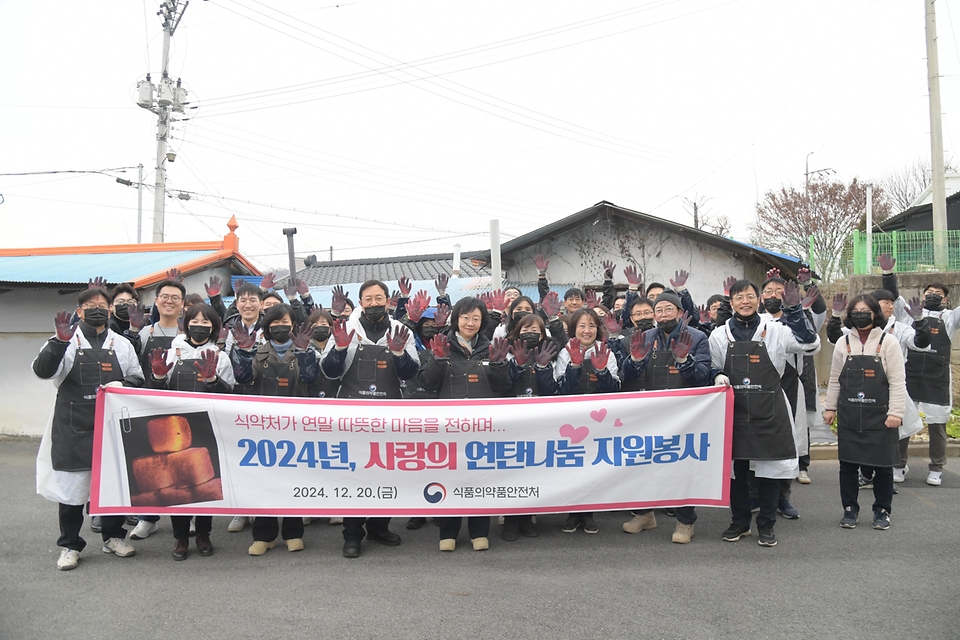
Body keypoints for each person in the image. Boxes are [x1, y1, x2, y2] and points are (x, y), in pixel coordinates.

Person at [34, 286, 145, 571]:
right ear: (79, 311)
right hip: (74, 425)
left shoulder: (121, 344)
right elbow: (43, 371)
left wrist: (124, 385)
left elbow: (137, 376)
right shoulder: (66, 341)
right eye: (89, 304)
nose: (97, 308)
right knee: (72, 489)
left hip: (113, 427)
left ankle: (113, 537)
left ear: (110, 310)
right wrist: (58, 342)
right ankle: (70, 545)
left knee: (113, 485)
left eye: (102, 304)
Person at [708, 278, 819, 548]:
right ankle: (740, 522)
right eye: (739, 297)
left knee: (771, 471)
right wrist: (718, 375)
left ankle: (767, 523)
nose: (745, 301)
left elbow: (810, 345)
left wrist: (795, 311)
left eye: (749, 296)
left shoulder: (777, 329)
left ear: (758, 300)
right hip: (735, 409)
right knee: (737, 471)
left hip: (771, 408)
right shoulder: (719, 335)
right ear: (731, 302)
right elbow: (711, 366)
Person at [321, 280, 419, 558]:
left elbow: (411, 374)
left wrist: (399, 353)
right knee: (354, 476)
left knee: (386, 472)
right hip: (352, 417)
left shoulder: (403, 331)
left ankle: (379, 526)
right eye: (368, 298)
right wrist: (339, 349)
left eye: (379, 298)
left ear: (389, 301)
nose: (374, 303)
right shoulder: (345, 329)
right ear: (361, 302)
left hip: (390, 417)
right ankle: (352, 534)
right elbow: (329, 372)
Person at [619, 291, 711, 544]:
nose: (663, 315)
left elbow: (703, 375)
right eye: (658, 310)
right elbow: (626, 374)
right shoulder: (645, 337)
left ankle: (685, 521)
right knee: (643, 464)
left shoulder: (698, 337)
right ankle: (645, 514)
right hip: (651, 412)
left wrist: (684, 359)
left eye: (669, 309)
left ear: (680, 312)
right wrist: (635, 359)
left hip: (685, 414)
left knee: (681, 466)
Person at [146, 303, 235, 559]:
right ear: (186, 324)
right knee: (179, 485)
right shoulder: (172, 352)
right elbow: (153, 394)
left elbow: (230, 395)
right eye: (195, 321)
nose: (200, 326)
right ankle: (180, 538)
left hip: (207, 427)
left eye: (206, 322)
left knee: (205, 483)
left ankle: (204, 534)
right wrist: (159, 377)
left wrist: (212, 381)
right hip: (173, 429)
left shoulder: (221, 356)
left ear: (214, 327)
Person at [232, 303, 320, 556]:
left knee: (294, 480)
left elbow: (311, 378)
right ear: (266, 326)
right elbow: (243, 378)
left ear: (293, 325)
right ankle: (265, 535)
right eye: (275, 322)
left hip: (297, 427)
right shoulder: (257, 352)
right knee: (263, 482)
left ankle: (293, 533)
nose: (280, 327)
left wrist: (304, 353)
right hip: (264, 428)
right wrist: (245, 352)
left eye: (285, 322)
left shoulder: (305, 349)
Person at [420, 297, 507, 551]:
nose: (470, 323)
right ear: (456, 318)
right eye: (466, 317)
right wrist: (436, 360)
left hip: (482, 427)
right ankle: (448, 531)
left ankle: (479, 531)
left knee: (479, 478)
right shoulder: (440, 345)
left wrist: (500, 365)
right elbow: (426, 384)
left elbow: (502, 388)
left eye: (476, 318)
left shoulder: (491, 347)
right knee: (449, 477)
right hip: (447, 427)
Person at [823, 295, 906, 530]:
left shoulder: (888, 342)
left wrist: (896, 413)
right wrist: (830, 408)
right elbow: (835, 379)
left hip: (881, 417)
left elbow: (898, 382)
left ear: (875, 314)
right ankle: (850, 509)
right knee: (847, 466)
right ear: (850, 315)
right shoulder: (842, 343)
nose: (861, 315)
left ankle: (882, 510)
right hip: (850, 415)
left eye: (866, 311)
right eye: (856, 311)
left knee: (882, 466)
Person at [124, 279, 186, 540]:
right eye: (164, 296)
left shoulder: (189, 332)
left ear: (183, 305)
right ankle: (148, 517)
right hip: (150, 404)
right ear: (156, 301)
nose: (169, 301)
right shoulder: (143, 333)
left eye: (175, 297)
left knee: (182, 462)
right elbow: (133, 369)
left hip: (182, 404)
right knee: (152, 464)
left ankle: (186, 518)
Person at [554, 308, 620, 534]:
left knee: (593, 467)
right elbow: (562, 390)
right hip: (571, 422)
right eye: (582, 325)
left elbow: (614, 390)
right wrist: (574, 365)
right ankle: (573, 513)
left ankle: (589, 514)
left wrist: (602, 371)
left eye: (592, 325)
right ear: (573, 329)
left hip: (598, 421)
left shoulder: (607, 352)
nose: (587, 330)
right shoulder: (564, 352)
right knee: (572, 467)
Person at [889, 268, 957, 487]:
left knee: (937, 425)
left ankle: (936, 467)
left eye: (938, 293)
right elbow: (892, 295)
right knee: (903, 420)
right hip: (909, 375)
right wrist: (888, 273)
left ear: (945, 299)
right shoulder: (907, 312)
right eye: (929, 291)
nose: (932, 295)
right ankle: (899, 464)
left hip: (937, 378)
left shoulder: (949, 317)